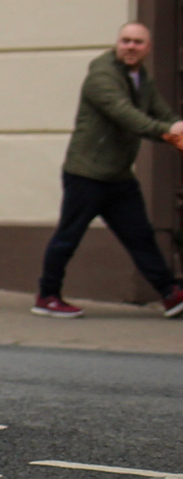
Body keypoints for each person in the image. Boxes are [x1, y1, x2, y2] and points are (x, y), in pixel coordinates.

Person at [33, 21, 183, 320]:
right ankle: (47, 296)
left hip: (117, 176)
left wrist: (174, 127)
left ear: (147, 48)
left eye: (138, 42)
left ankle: (170, 294)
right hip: (86, 173)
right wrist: (169, 132)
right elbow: (127, 116)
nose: (130, 47)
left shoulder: (140, 77)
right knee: (68, 236)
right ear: (117, 43)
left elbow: (161, 111)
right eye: (125, 40)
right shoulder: (102, 76)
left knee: (140, 236)